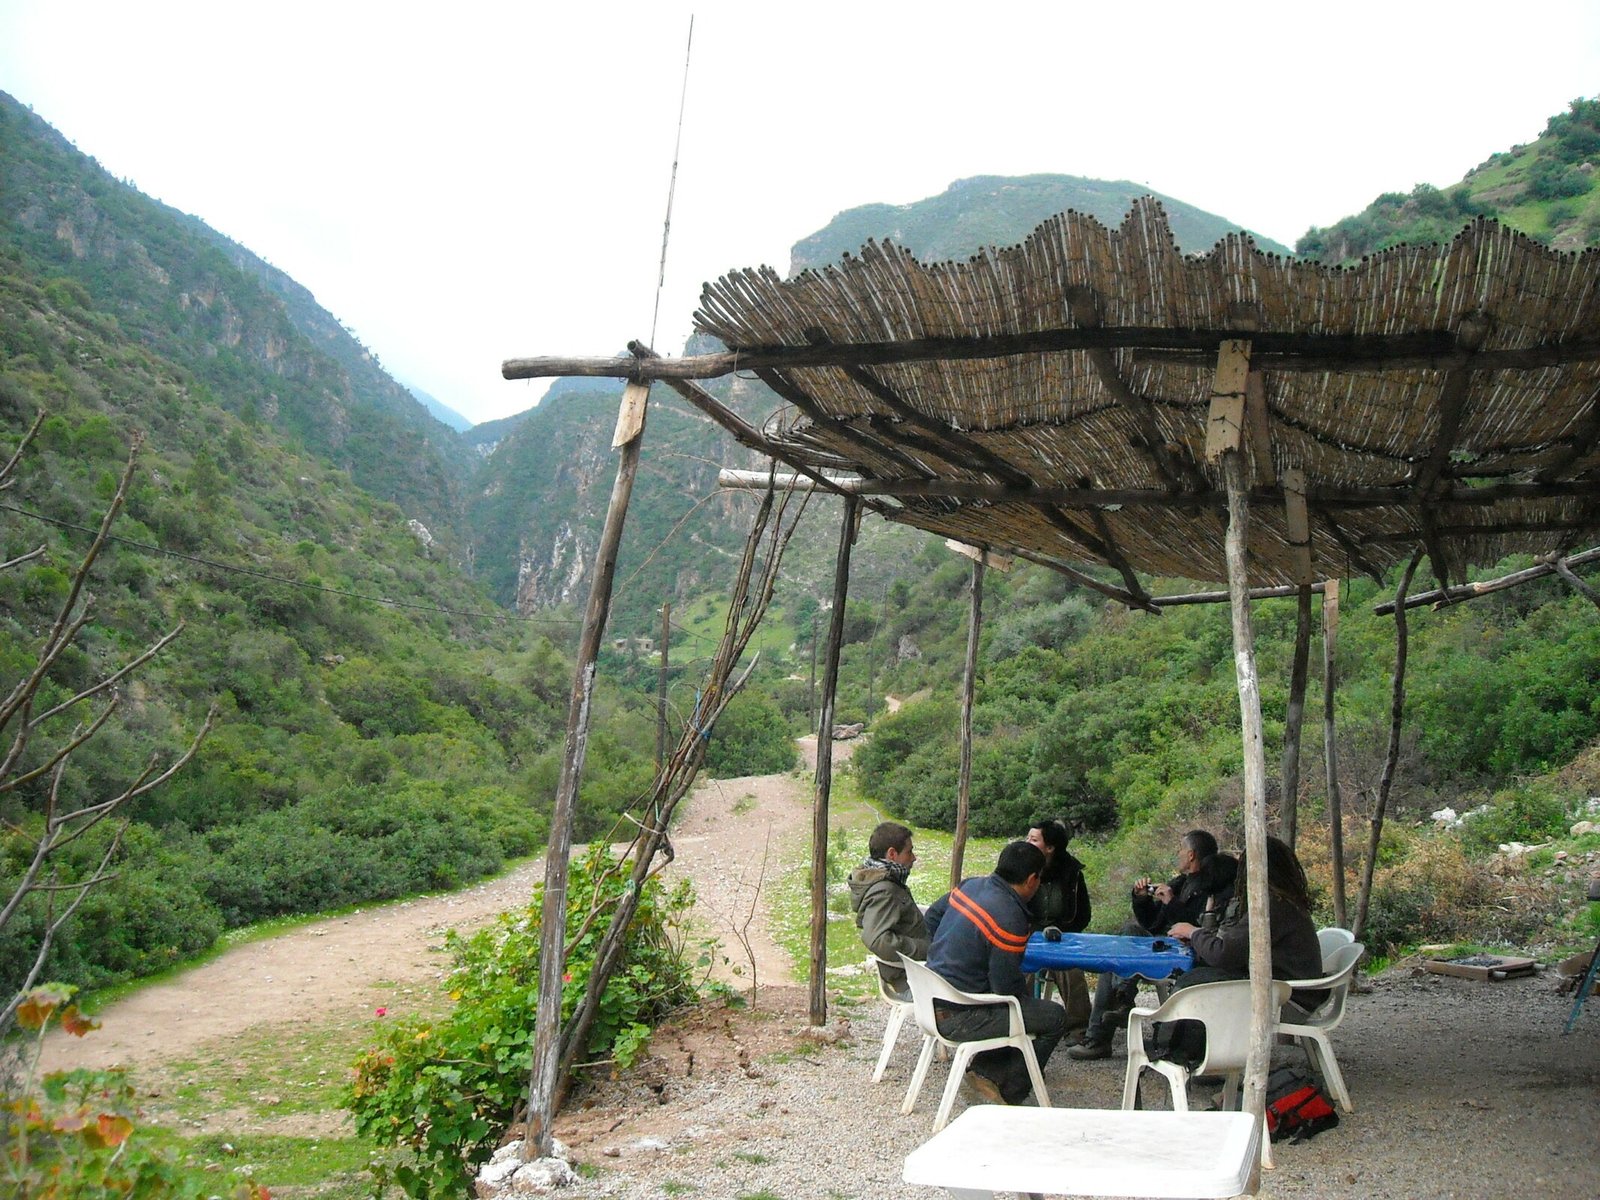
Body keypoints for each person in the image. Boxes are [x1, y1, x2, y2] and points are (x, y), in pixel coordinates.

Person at [1069, 829, 1236, 1060]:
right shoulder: (1182, 882)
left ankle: (1102, 1030)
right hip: (1164, 944)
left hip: (1187, 953)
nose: (1177, 853)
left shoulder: (1213, 883)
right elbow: (1152, 921)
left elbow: (1200, 925)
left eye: (1180, 849)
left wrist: (1171, 903)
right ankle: (1119, 1004)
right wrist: (1141, 898)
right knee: (1121, 943)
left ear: (1190, 855)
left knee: (1118, 955)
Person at [922, 840, 1068, 1105]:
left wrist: (949, 951)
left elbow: (931, 917)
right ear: (1033, 880)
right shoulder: (1010, 917)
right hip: (959, 1016)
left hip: (929, 1001)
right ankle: (1004, 1089)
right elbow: (1005, 989)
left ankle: (986, 1071)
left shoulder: (970, 886)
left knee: (1017, 1008)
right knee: (1053, 1016)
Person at [1160, 835, 1327, 1065]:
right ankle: (1195, 1052)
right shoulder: (1282, 900)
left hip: (1289, 1000)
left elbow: (1223, 954)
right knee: (1202, 976)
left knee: (1196, 981)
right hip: (1290, 990)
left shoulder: (1270, 906)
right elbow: (1236, 948)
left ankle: (1197, 1057)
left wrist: (1194, 933)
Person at [848, 821, 929, 997]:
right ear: (892, 853)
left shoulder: (887, 881)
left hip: (914, 974)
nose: (913, 858)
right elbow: (877, 940)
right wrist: (926, 949)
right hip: (911, 980)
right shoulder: (885, 889)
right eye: (909, 852)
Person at [1025, 818, 1092, 1030]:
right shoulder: (1020, 866)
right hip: (1025, 935)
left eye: (1034, 839)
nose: (1027, 843)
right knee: (1017, 967)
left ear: (1050, 848)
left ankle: (1079, 1027)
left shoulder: (1071, 873)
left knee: (1070, 968)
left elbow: (1082, 913)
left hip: (1060, 936)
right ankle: (1020, 1021)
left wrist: (1064, 936)